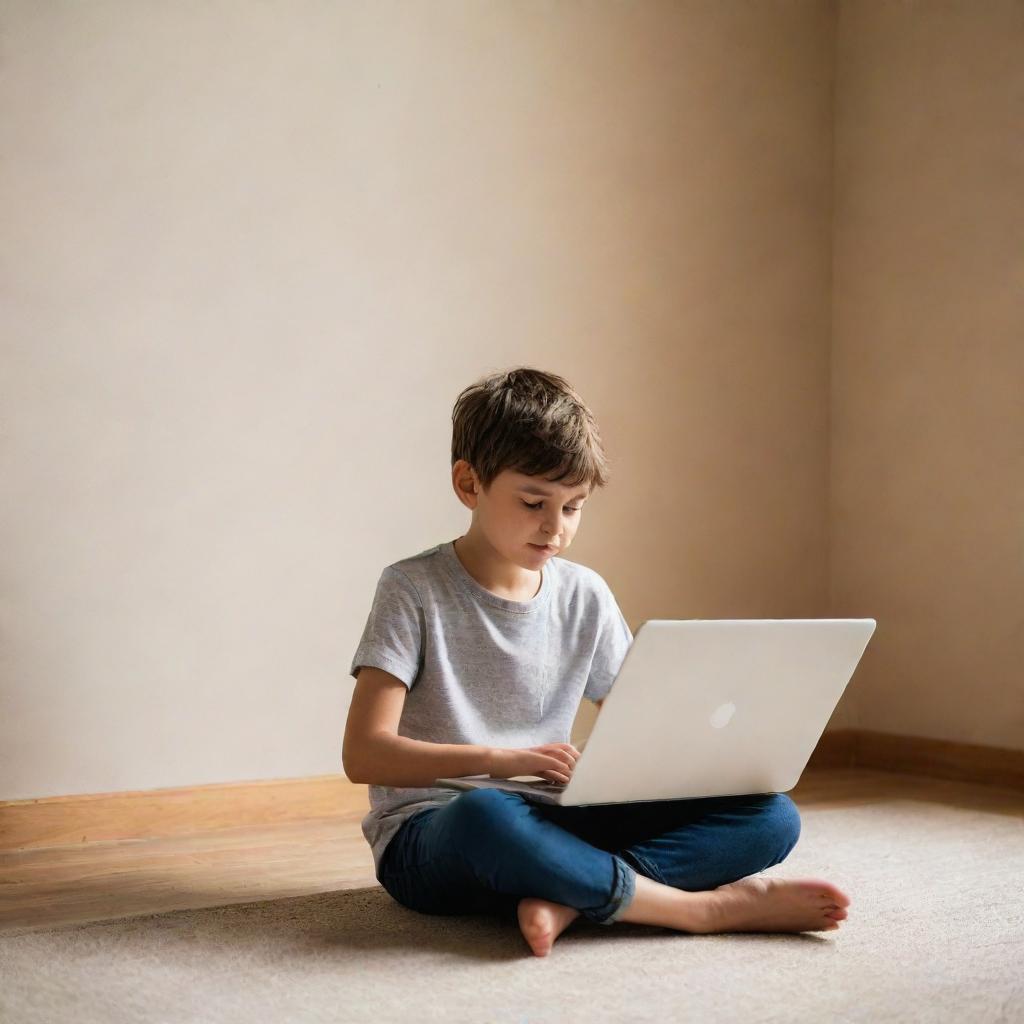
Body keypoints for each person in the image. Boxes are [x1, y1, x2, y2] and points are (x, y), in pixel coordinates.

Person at [343, 366, 850, 957]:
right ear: (468, 483)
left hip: (555, 817)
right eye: (534, 502)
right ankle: (694, 910)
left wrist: (704, 758)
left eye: (574, 507)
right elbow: (365, 754)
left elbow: (642, 725)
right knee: (486, 814)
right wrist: (502, 761)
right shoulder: (412, 588)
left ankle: (572, 894)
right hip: (438, 833)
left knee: (772, 817)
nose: (554, 528)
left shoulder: (584, 594)